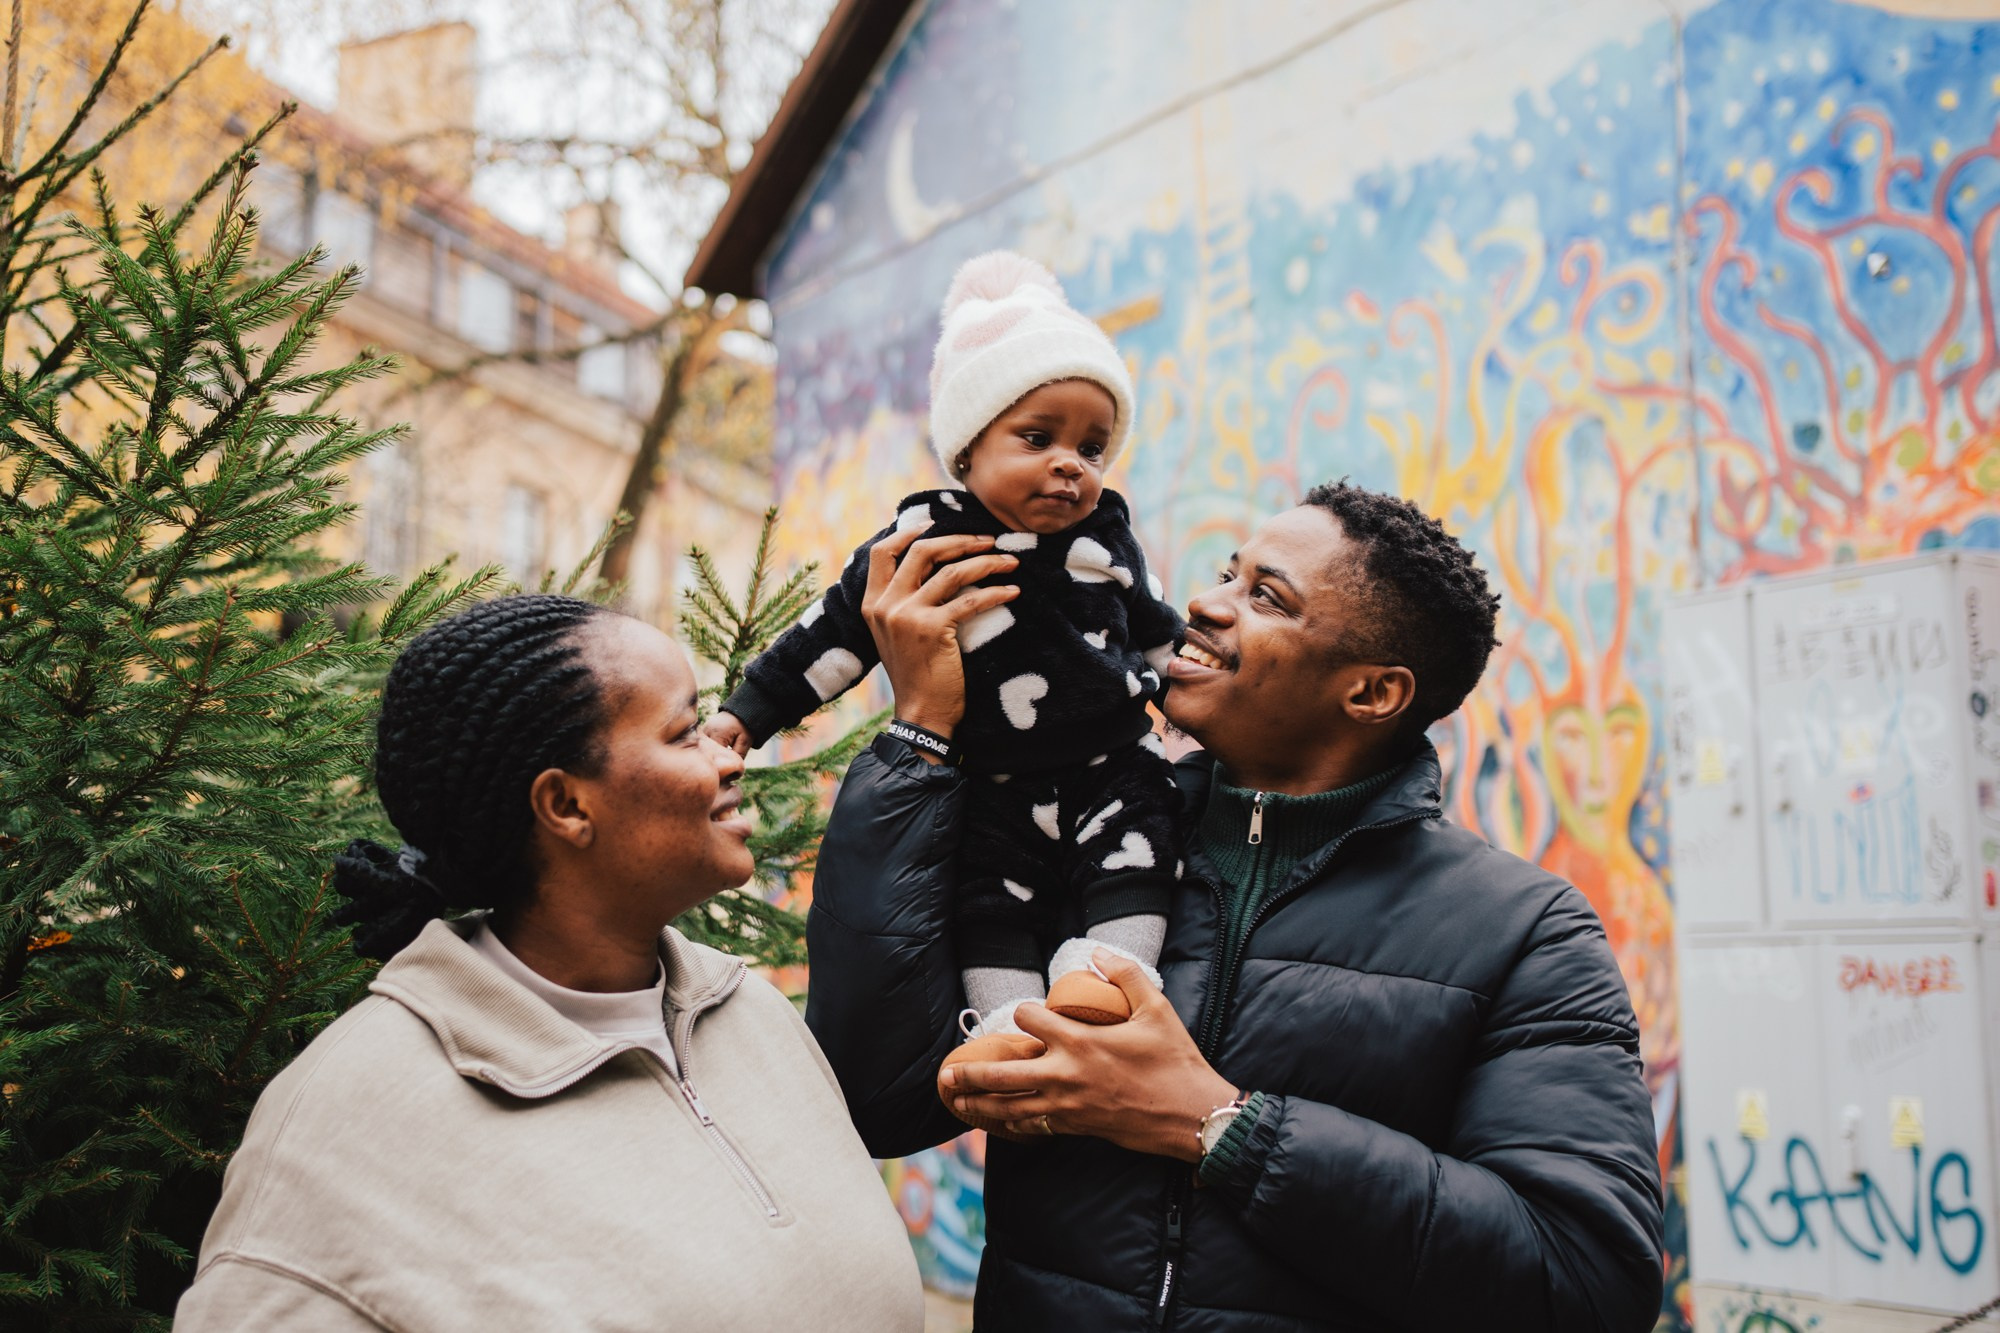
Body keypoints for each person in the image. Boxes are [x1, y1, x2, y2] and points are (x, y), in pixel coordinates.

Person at [804, 483, 1666, 1331]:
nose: (1203, 605)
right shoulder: (1071, 846)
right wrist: (922, 731)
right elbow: (882, 1099)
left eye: (1265, 596)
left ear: (1371, 693)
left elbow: (1585, 1280)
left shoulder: (1524, 930)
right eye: (1226, 573)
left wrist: (1221, 1125)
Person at [175, 594, 924, 1332]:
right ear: (565, 805)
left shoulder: (749, 1014)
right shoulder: (348, 1120)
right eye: (686, 730)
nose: (729, 752)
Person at [706, 251, 1185, 1078]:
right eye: (1038, 438)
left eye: (1093, 446)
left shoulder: (1107, 536)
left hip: (1115, 762)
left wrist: (1193, 693)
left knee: (1139, 854)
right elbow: (830, 636)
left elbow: (1155, 628)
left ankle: (1106, 977)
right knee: (988, 897)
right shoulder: (922, 539)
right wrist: (742, 716)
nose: (1071, 463)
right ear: (967, 448)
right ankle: (1004, 1024)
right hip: (991, 783)